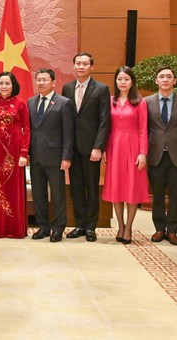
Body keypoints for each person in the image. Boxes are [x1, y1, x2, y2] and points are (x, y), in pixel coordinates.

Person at [61, 52, 110, 243]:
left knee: (91, 187)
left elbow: (105, 120)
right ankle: (79, 225)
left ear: (92, 67)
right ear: (73, 67)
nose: (81, 67)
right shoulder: (67, 88)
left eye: (85, 64)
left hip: (91, 149)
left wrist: (99, 147)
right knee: (76, 188)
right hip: (72, 148)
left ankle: (91, 227)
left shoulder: (101, 89)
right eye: (78, 64)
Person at [144, 66, 177, 246]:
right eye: (161, 77)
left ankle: (172, 231)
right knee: (156, 194)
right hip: (155, 155)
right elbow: (145, 129)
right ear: (156, 80)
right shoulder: (147, 102)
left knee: (174, 195)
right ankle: (159, 228)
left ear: (174, 81)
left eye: (168, 77)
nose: (165, 79)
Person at [102, 66, 149, 245]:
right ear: (115, 81)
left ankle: (129, 227)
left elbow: (144, 129)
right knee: (116, 188)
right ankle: (120, 225)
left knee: (131, 188)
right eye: (120, 79)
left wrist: (143, 153)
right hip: (114, 147)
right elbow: (106, 127)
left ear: (132, 82)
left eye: (126, 79)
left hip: (133, 147)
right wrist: (105, 148)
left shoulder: (140, 102)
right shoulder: (110, 101)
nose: (123, 82)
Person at [27, 68, 73, 242]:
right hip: (36, 156)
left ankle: (58, 228)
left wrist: (66, 157)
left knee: (58, 195)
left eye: (45, 80)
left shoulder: (63, 103)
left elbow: (68, 133)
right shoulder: (30, 102)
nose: (41, 83)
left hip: (55, 157)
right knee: (39, 194)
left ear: (53, 82)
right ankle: (43, 227)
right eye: (38, 80)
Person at [0, 72, 29, 239]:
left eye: (7, 83)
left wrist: (24, 153)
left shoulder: (21, 104)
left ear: (13, 86)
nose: (4, 86)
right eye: (1, 83)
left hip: (15, 151)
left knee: (14, 188)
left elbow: (27, 129)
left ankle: (15, 228)